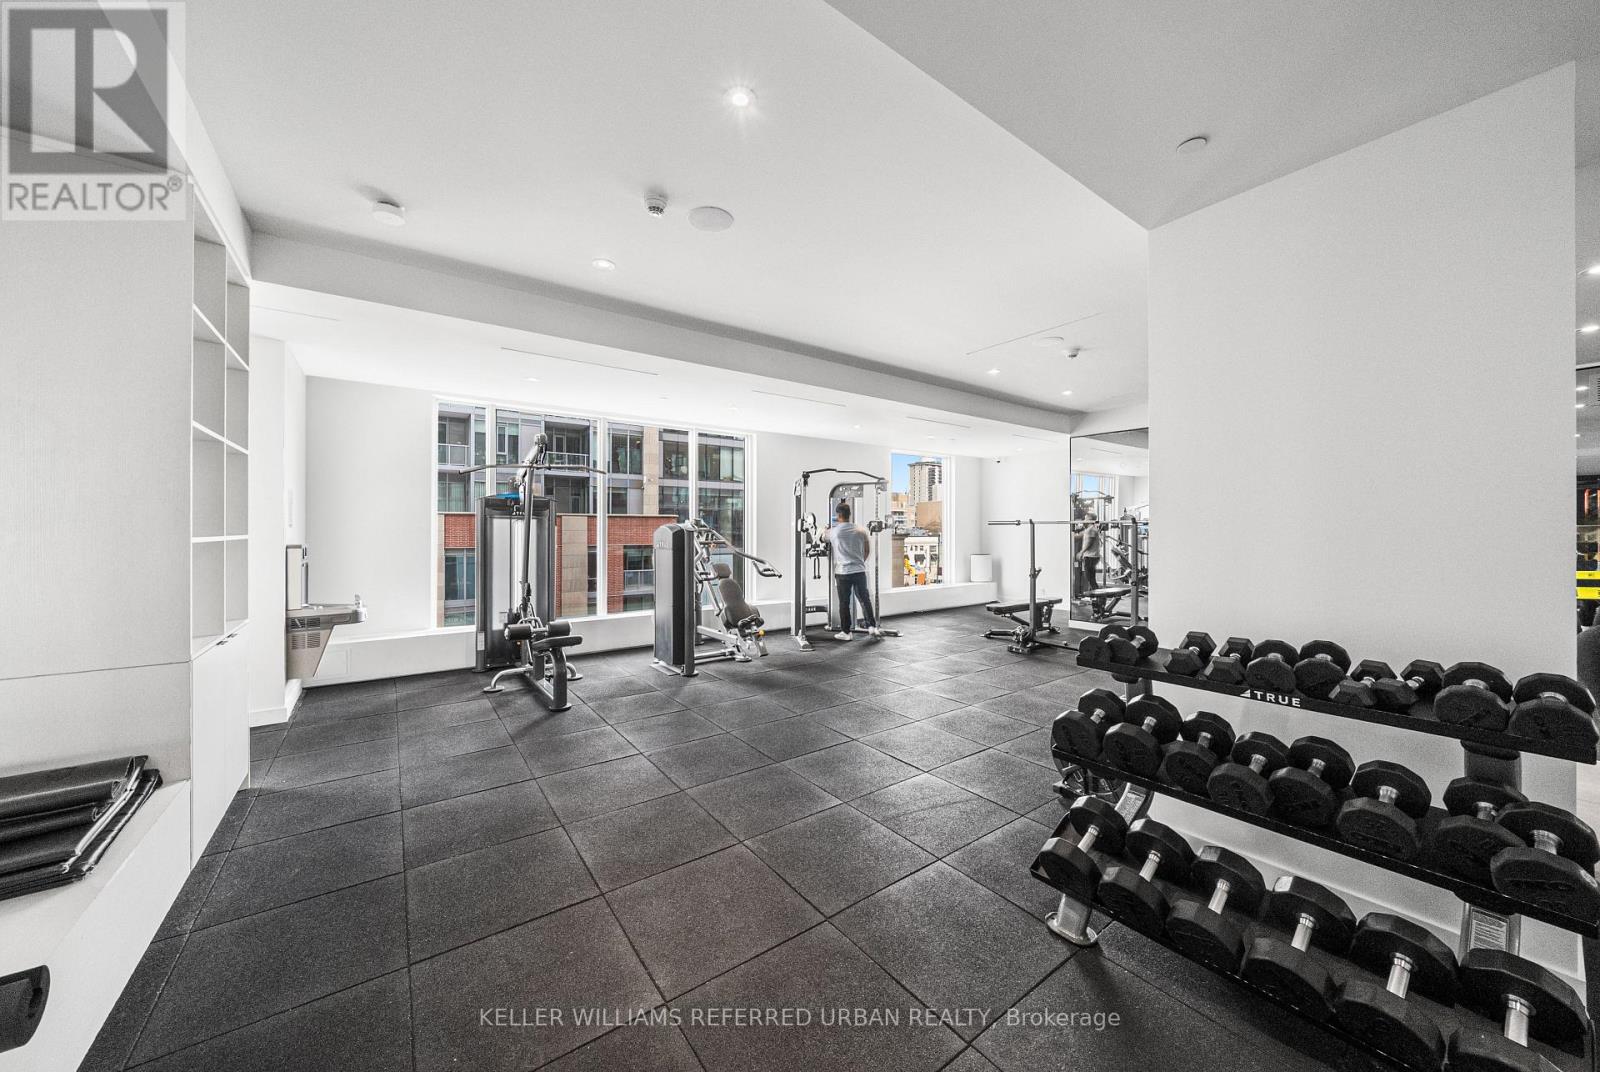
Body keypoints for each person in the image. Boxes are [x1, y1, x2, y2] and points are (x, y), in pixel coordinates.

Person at [828, 501, 878, 641]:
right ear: (849, 515)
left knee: (844, 603)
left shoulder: (834, 532)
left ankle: (846, 632)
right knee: (864, 599)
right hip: (859, 570)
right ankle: (872, 627)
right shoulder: (861, 530)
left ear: (838, 515)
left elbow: (821, 537)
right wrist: (858, 561)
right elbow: (867, 551)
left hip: (843, 572)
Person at [1076, 516, 1102, 600]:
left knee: (1090, 578)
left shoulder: (1091, 529)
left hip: (1090, 556)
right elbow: (1079, 536)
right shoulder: (1090, 529)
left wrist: (1081, 552)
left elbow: (1089, 543)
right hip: (1091, 556)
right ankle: (1093, 596)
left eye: (1086, 518)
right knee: (1091, 578)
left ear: (1090, 520)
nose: (1084, 520)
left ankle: (1098, 598)